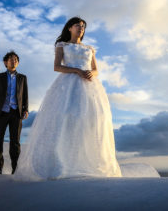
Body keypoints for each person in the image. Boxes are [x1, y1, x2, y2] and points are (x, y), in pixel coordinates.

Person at [15, 17, 122, 180]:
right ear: (70, 28)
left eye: (83, 27)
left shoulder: (89, 48)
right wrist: (77, 71)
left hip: (90, 87)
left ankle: (86, 162)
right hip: (68, 85)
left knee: (91, 121)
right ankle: (62, 162)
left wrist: (91, 73)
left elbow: (96, 70)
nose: (81, 28)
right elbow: (57, 66)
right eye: (78, 25)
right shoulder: (62, 45)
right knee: (65, 119)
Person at [0, 51, 29, 174]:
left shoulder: (22, 78)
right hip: (2, 112)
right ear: (5, 62)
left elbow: (25, 95)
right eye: (11, 59)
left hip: (16, 113)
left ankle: (15, 168)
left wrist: (26, 109)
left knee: (15, 142)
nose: (14, 61)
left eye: (16, 60)